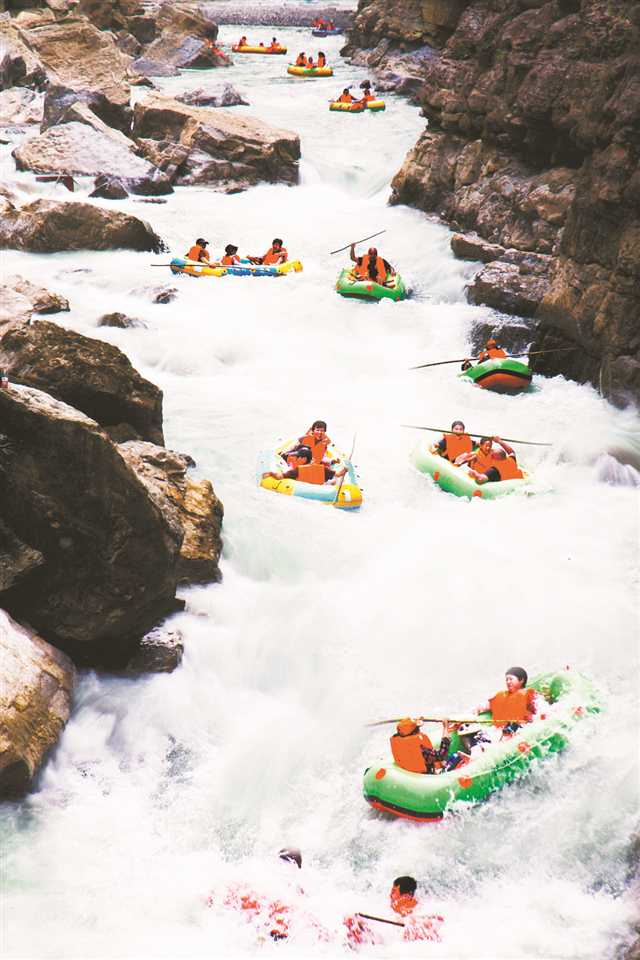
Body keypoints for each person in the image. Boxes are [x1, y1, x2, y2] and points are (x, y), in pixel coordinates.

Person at [476, 667, 537, 734]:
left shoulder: (527, 693)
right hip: (497, 732)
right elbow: (485, 706)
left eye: (511, 679)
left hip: (518, 729)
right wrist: (476, 710)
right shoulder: (500, 695)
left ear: (521, 680)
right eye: (506, 679)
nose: (508, 682)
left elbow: (537, 709)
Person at [262, 446, 346, 486]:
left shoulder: (296, 471)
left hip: (299, 490)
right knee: (331, 482)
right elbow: (339, 474)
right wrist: (346, 469)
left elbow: (280, 477)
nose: (295, 458)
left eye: (297, 457)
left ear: (304, 459)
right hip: (321, 490)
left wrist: (270, 473)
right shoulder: (323, 468)